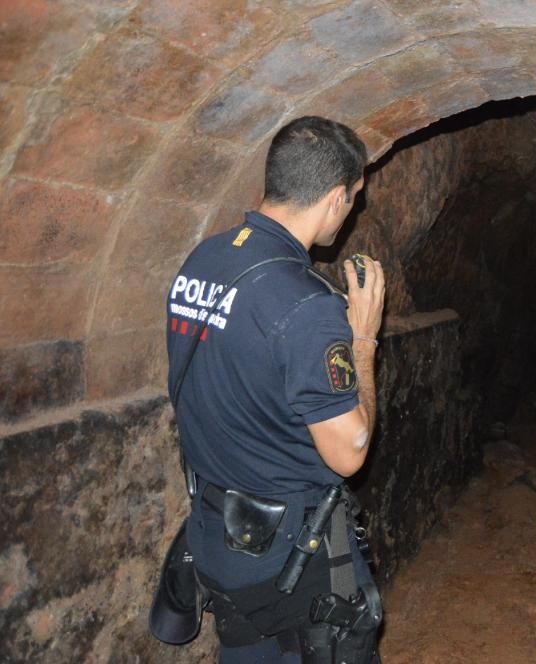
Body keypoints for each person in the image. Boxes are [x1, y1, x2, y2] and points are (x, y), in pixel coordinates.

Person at [162, 116, 385, 662]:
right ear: (335, 198)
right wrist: (363, 337)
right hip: (288, 560)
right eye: (354, 198)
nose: (352, 210)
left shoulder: (203, 261)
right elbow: (350, 452)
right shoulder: (308, 306)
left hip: (215, 535)